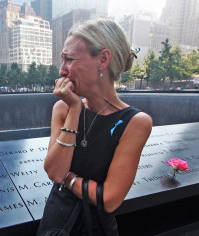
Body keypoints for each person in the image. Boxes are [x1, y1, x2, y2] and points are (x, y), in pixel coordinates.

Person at [37, 18, 152, 235]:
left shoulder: (136, 123)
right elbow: (54, 171)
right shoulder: (63, 109)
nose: (62, 71)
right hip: (55, 225)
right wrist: (74, 110)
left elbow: (109, 199)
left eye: (69, 59)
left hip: (95, 229)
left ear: (103, 59)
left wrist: (69, 178)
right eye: (62, 60)